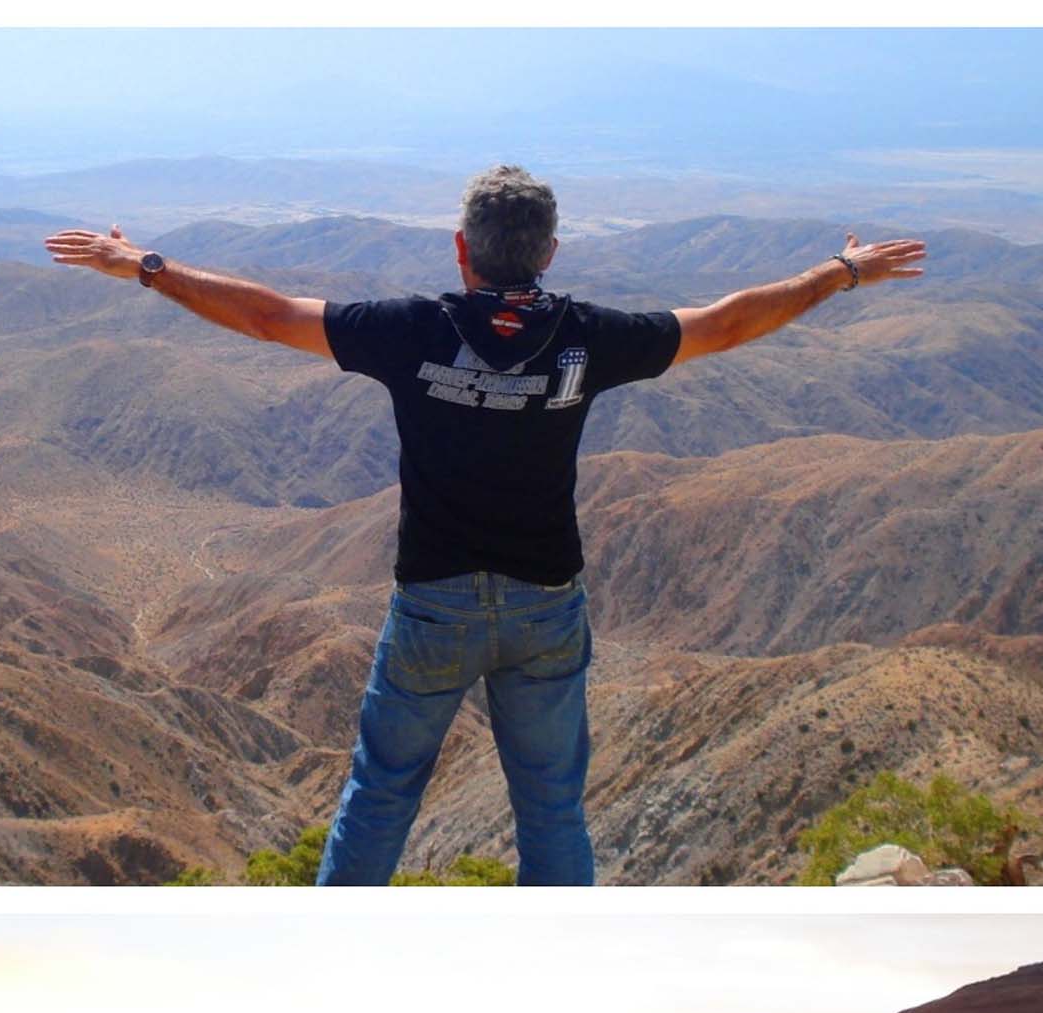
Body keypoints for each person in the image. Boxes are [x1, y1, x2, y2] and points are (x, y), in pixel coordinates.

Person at [46, 166, 924, 885]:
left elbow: (269, 316)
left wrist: (146, 265)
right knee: (551, 809)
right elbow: (728, 323)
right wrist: (837, 274)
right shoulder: (589, 337)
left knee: (380, 796)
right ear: (548, 251)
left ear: (462, 249)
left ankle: (325, 949)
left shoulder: (411, 329)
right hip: (546, 607)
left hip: (431, 609)